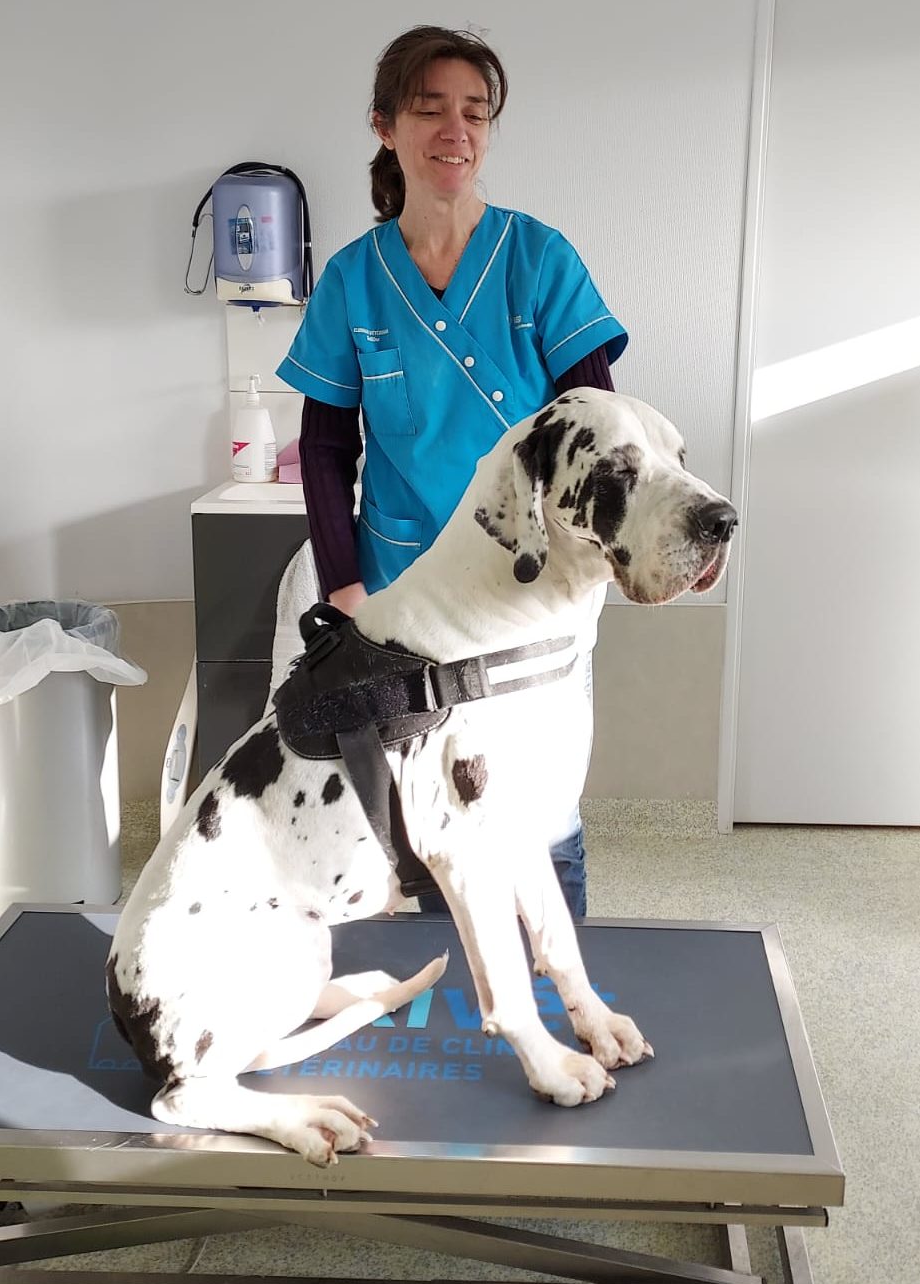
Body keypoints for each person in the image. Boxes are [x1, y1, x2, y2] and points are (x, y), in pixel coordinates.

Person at [276, 24, 627, 918]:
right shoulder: (354, 280)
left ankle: (556, 971)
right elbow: (325, 446)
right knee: (423, 797)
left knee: (540, 802)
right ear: (385, 126)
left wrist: (598, 564)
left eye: (475, 111)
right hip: (404, 590)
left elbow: (596, 425)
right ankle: (437, 972)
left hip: (527, 583)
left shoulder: (537, 259)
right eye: (429, 108)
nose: (455, 129)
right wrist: (346, 582)